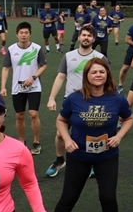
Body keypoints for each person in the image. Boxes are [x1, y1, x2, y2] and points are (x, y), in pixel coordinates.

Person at [44, 58, 133, 212]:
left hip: (107, 157)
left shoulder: (117, 99)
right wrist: (66, 139)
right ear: (86, 75)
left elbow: (128, 118)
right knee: (68, 199)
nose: (98, 75)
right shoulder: (74, 99)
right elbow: (61, 120)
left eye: (102, 72)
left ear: (107, 75)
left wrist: (119, 136)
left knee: (108, 198)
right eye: (94, 72)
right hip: (79, 156)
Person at [44, 26, 107, 179]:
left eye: (89, 36)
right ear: (79, 37)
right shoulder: (68, 56)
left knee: (93, 134)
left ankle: (93, 163)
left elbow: (106, 81)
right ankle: (59, 160)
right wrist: (51, 98)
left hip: (93, 101)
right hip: (71, 100)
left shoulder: (99, 58)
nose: (86, 38)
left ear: (93, 39)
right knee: (60, 134)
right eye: (83, 35)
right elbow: (60, 77)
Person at [0, 22, 47, 155]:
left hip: (34, 86)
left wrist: (33, 77)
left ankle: (36, 142)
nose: (24, 35)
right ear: (17, 34)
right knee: (19, 116)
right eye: (21, 33)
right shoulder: (11, 49)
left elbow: (43, 66)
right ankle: (21, 143)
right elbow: (5, 68)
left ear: (30, 34)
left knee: (33, 114)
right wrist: (3, 87)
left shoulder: (37, 48)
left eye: (26, 33)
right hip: (17, 87)